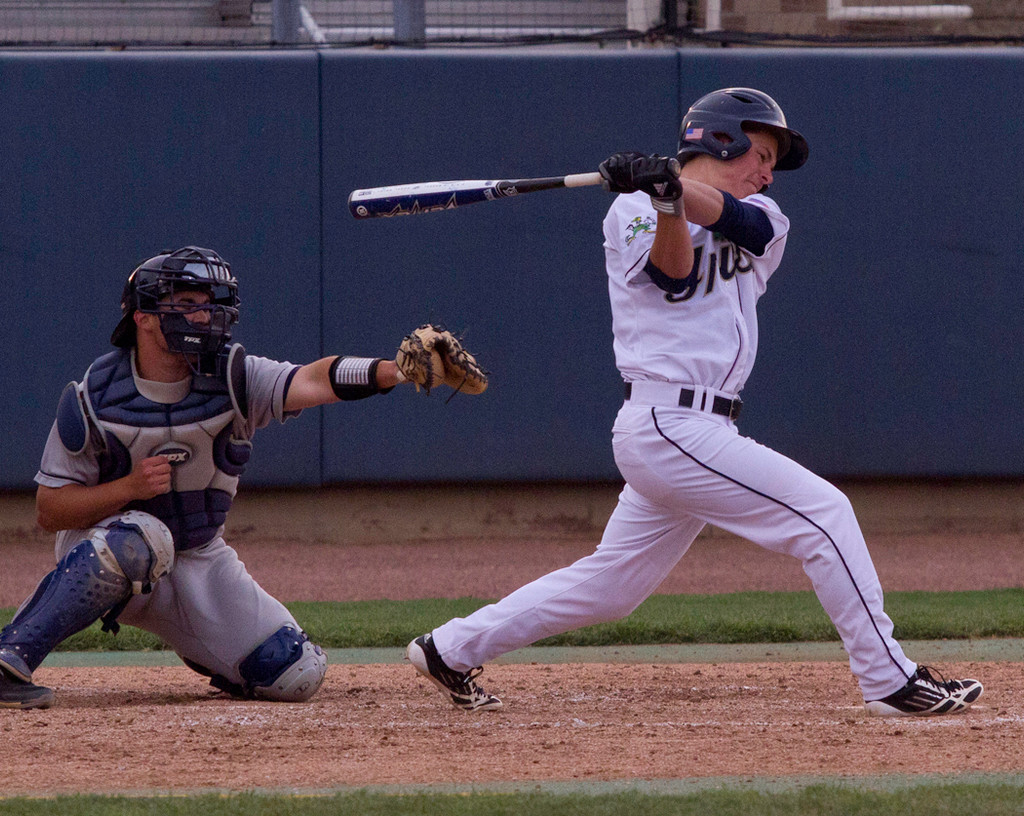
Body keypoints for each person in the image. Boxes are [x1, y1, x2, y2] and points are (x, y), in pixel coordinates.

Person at [406, 88, 984, 718]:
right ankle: (889, 679)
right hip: (667, 422)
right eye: (760, 154)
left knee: (611, 588)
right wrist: (663, 200)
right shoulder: (629, 209)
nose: (767, 172)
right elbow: (673, 271)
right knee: (825, 514)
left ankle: (449, 648)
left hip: (698, 426)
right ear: (720, 139)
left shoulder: (766, 216)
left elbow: (743, 223)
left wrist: (673, 191)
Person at [0, 246, 484, 710]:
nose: (203, 316)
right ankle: (9, 661)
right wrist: (128, 490)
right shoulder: (93, 397)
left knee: (295, 674)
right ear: (143, 316)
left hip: (199, 558)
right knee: (143, 536)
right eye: (186, 304)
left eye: (208, 305)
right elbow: (49, 510)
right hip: (109, 552)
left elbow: (313, 380)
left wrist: (395, 372)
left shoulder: (233, 376)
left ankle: (211, 650)